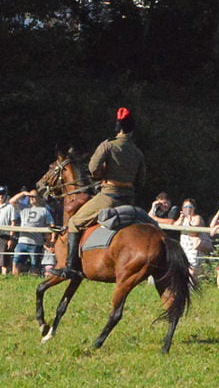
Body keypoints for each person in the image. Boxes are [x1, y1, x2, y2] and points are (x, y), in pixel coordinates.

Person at [51, 107, 146, 280]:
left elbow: (92, 169)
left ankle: (71, 267)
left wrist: (101, 175)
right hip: (129, 200)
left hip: (109, 197)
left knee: (74, 222)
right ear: (132, 129)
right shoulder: (138, 152)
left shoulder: (108, 145)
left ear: (118, 127)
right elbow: (141, 180)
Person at [10, 189, 54, 275]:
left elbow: (51, 225)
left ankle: (33, 280)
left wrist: (51, 239)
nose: (31, 198)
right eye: (30, 197)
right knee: (16, 262)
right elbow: (12, 201)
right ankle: (15, 280)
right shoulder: (23, 208)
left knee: (34, 265)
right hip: (22, 241)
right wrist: (23, 193)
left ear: (38, 198)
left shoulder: (44, 210)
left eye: (33, 196)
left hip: (36, 243)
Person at [174, 198, 207, 275]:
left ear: (194, 208)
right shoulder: (182, 218)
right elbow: (175, 226)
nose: (188, 209)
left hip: (194, 248)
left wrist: (189, 219)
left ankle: (193, 287)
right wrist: (181, 218)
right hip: (184, 247)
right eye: (185, 207)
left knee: (192, 271)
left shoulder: (197, 217)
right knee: (184, 269)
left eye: (190, 207)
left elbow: (194, 232)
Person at [0, 186, 19, 275]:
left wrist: (11, 238)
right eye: (0, 194)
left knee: (3, 258)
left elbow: (13, 223)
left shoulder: (10, 207)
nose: (1, 196)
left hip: (5, 235)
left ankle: (4, 276)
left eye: (2, 194)